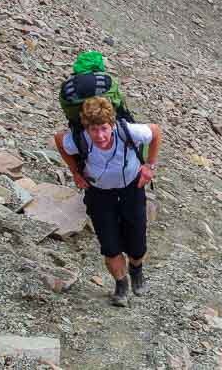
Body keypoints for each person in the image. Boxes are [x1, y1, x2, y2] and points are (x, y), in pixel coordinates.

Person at [54, 96, 161, 307]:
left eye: (104, 128)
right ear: (87, 128)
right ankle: (121, 285)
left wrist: (149, 166)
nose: (100, 135)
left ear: (112, 124)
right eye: (94, 130)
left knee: (137, 245)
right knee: (110, 246)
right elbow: (59, 139)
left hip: (131, 189)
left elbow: (155, 131)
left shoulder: (127, 131)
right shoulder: (79, 139)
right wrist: (74, 171)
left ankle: (136, 271)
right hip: (100, 195)